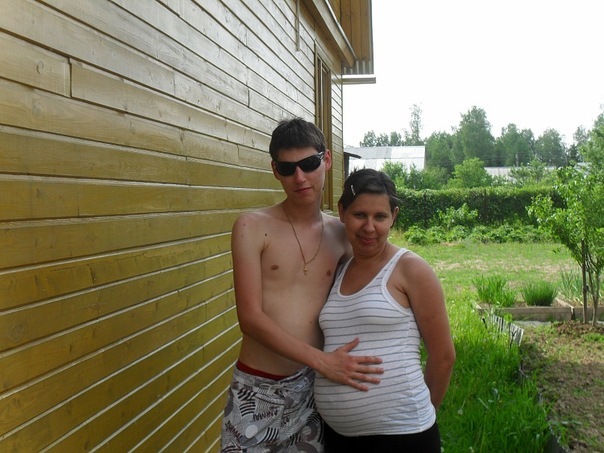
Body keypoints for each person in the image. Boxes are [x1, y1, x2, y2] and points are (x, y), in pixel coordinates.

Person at [220, 119, 384, 453]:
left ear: (326, 160)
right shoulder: (252, 227)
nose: (299, 177)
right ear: (275, 170)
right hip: (258, 389)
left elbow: (375, 282)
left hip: (317, 391)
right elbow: (249, 318)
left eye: (309, 164)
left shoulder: (341, 234)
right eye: (287, 168)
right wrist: (322, 361)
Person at [314, 168, 456, 452]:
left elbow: (443, 356)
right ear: (342, 212)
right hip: (339, 438)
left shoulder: (410, 269)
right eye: (359, 215)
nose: (369, 227)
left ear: (394, 216)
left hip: (403, 436)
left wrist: (420, 416)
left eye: (380, 217)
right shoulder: (339, 271)